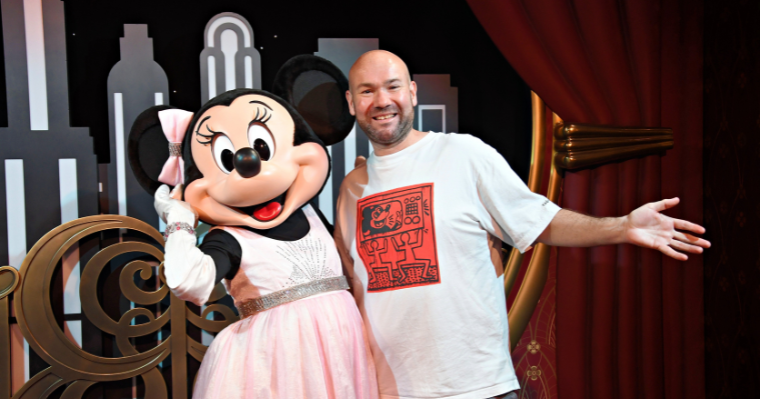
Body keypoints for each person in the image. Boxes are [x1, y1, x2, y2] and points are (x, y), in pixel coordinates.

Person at [333, 50, 710, 399]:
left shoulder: (464, 154)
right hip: (391, 391)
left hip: (478, 387)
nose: (382, 101)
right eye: (367, 91)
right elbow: (350, 288)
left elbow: (540, 221)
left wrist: (622, 227)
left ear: (412, 92)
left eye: (393, 86)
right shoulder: (351, 190)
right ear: (352, 103)